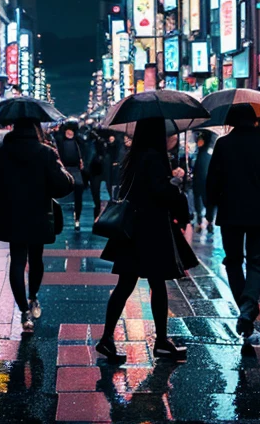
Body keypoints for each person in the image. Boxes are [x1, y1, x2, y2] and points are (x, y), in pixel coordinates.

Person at [97, 118, 198, 363]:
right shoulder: (154, 157)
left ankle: (107, 338)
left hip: (133, 230)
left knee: (126, 284)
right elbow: (159, 193)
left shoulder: (135, 156)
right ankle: (160, 342)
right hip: (151, 229)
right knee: (157, 283)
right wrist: (174, 182)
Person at [206, 103, 260, 339]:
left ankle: (244, 307)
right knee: (255, 261)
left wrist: (210, 204)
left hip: (230, 211)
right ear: (255, 121)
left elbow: (213, 179)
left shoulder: (223, 145)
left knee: (233, 261)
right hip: (259, 212)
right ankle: (247, 306)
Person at [0, 119, 74, 333]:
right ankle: (33, 297)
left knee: (17, 260)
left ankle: (23, 311)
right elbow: (63, 185)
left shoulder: (2, 152)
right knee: (36, 258)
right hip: (38, 212)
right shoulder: (46, 152)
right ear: (36, 130)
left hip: (11, 213)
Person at [56, 124, 85, 230]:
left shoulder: (78, 142)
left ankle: (77, 218)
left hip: (75, 169)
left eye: (71, 131)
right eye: (67, 131)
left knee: (79, 190)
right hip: (64, 169)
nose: (69, 133)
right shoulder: (60, 142)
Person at [192, 131, 215, 234]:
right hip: (201, 167)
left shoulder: (211, 136)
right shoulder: (198, 132)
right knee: (199, 195)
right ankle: (202, 220)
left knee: (207, 197)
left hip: (206, 167)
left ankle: (207, 220)